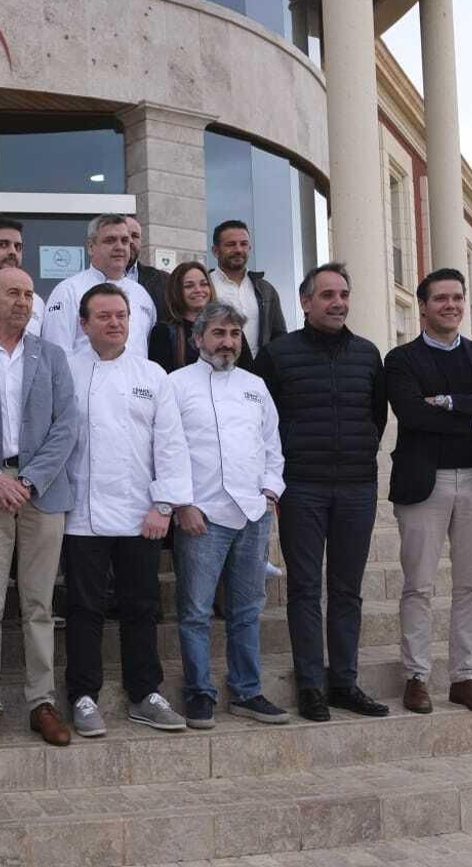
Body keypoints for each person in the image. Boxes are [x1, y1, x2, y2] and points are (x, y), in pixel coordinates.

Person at [252, 264, 390, 723]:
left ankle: (345, 682)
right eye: (327, 294)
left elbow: (376, 416)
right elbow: (262, 423)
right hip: (302, 488)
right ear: (305, 302)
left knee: (347, 590)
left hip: (356, 487)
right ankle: (311, 685)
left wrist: (361, 451)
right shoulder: (277, 355)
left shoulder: (368, 355)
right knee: (306, 589)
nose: (338, 302)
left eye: (343, 294)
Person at [0, 268, 78, 749]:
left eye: (28, 294)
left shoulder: (54, 356)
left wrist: (27, 479)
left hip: (42, 492)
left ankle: (41, 702)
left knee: (39, 605)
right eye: (13, 293)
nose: (23, 301)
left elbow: (66, 426)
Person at [386, 267, 472, 717]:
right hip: (425, 484)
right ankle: (416, 677)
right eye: (440, 299)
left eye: (457, 298)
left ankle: (464, 677)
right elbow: (412, 415)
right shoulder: (401, 360)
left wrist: (448, 401)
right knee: (418, 586)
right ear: (422, 307)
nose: (451, 305)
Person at [62, 283, 193, 737]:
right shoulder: (66, 371)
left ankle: (145, 693)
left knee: (141, 605)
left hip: (142, 513)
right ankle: (82, 695)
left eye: (120, 315)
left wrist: (163, 504)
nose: (115, 323)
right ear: (84, 324)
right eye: (103, 316)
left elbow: (171, 445)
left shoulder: (153, 375)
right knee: (83, 607)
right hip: (81, 513)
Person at [169, 301, 288, 729]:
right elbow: (167, 450)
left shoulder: (256, 385)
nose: (227, 342)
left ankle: (247, 691)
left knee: (245, 610)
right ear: (199, 338)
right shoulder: (176, 385)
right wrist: (182, 503)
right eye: (219, 333)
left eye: (234, 334)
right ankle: (200, 693)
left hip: (253, 514)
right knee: (196, 611)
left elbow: (272, 444)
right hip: (202, 515)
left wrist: (271, 489)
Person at [42, 215, 157, 359]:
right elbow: (56, 356)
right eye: (110, 240)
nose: (119, 247)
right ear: (91, 247)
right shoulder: (68, 291)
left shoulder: (142, 295)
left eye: (124, 241)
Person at [148, 261, 253, 374]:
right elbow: (160, 378)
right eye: (189, 286)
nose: (198, 290)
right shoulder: (164, 332)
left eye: (204, 284)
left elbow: (248, 372)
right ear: (176, 291)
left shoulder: (230, 326)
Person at [207, 219, 286, 356]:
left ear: (249, 248)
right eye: (231, 244)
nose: (238, 249)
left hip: (258, 372)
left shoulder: (266, 290)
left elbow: (279, 336)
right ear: (215, 251)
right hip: (214, 369)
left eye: (243, 244)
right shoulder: (205, 286)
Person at [124, 214, 172, 325]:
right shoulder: (95, 280)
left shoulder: (163, 281)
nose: (130, 241)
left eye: (135, 236)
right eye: (125, 236)